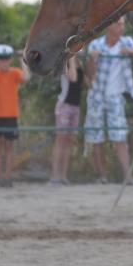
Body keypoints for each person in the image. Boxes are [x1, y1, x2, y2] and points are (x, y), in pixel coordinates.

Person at [83, 18, 133, 184]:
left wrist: (129, 52)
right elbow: (88, 75)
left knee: (120, 137)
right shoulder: (96, 45)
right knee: (96, 137)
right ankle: (102, 177)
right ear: (109, 26)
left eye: (123, 23)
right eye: (118, 23)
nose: (122, 27)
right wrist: (91, 60)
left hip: (116, 97)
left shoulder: (127, 41)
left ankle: (128, 176)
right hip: (96, 96)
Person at [0, 44, 30, 187]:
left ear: (10, 60)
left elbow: (27, 77)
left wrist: (23, 60)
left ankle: (7, 177)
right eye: (1, 59)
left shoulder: (15, 73)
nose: (4, 61)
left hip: (11, 115)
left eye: (6, 59)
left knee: (9, 148)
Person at [50, 55, 85, 185]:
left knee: (69, 142)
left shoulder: (80, 64)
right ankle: (54, 176)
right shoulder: (65, 64)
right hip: (64, 105)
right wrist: (71, 58)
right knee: (60, 141)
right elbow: (73, 78)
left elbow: (86, 81)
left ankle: (63, 176)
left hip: (76, 106)